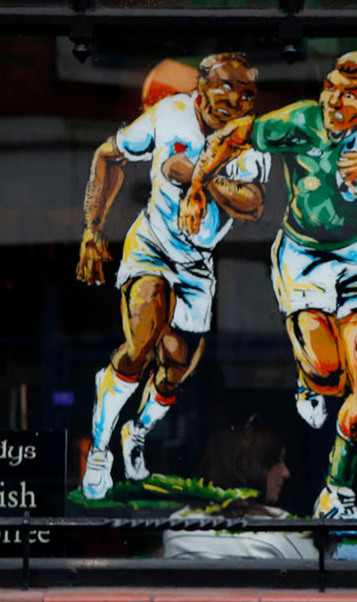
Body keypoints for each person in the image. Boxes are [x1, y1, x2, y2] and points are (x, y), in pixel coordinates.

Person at [182, 50, 357, 519]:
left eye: (350, 94)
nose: (334, 100)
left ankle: (337, 490)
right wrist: (197, 188)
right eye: (332, 86)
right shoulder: (300, 121)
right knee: (327, 372)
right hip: (302, 254)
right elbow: (232, 136)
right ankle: (310, 382)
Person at [76, 53, 270, 500]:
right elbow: (108, 154)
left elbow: (254, 204)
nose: (235, 98)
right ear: (200, 88)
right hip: (153, 245)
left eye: (246, 92)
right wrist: (92, 229)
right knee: (141, 345)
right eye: (225, 86)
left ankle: (137, 432)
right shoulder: (170, 114)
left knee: (176, 367)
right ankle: (101, 453)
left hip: (198, 262)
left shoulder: (251, 140)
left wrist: (196, 176)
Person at [162, 414, 317, 559]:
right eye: (277, 460)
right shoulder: (281, 529)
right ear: (250, 467)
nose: (286, 472)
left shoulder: (178, 527)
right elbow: (321, 575)